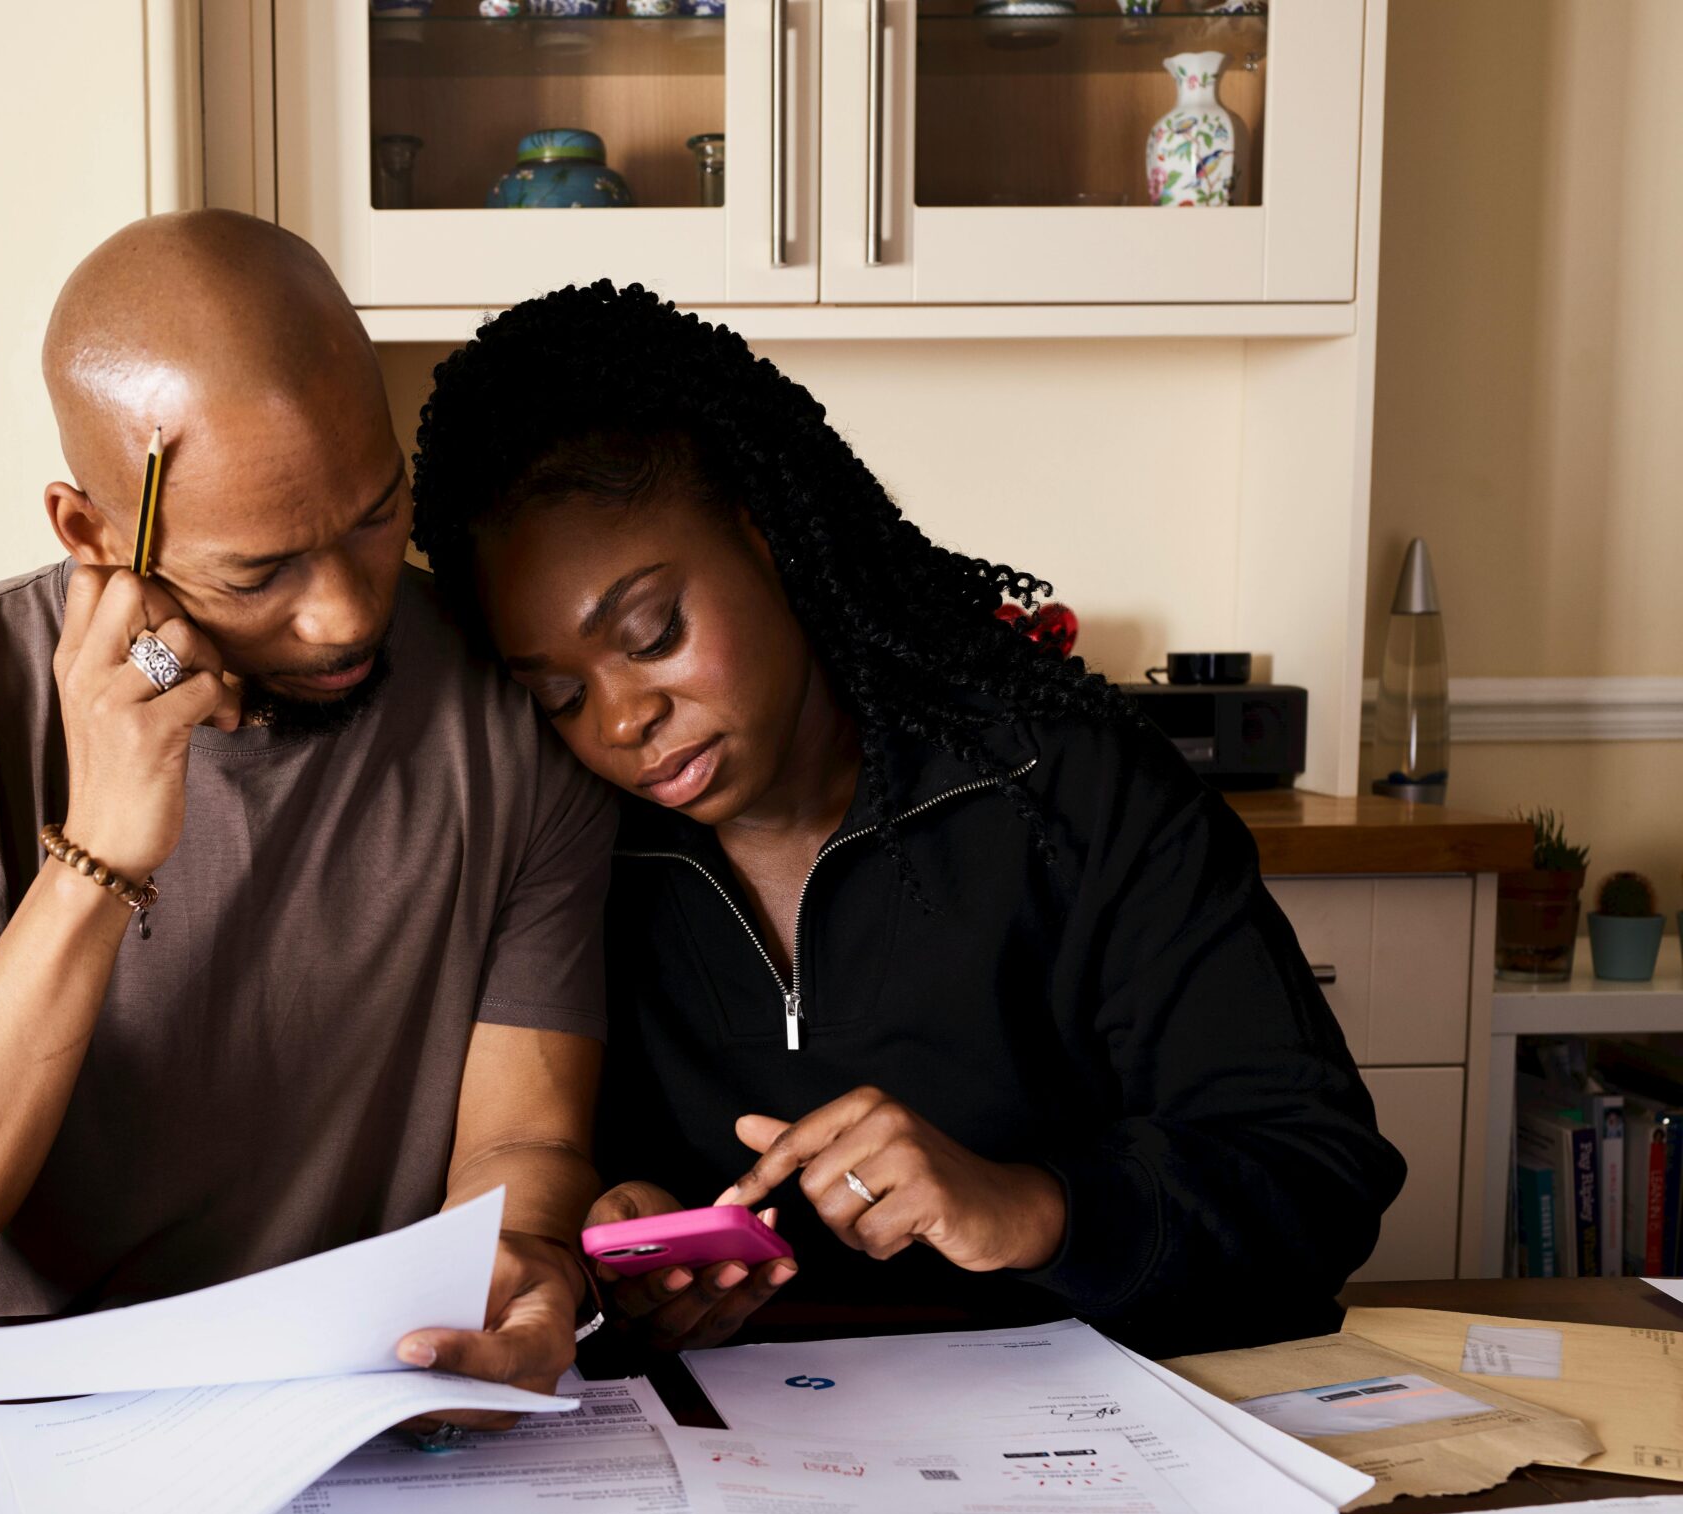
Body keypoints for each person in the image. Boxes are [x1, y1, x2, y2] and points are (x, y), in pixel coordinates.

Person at [409, 281, 1405, 1358]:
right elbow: (547, 1176)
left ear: (768, 534)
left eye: (652, 632)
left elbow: (1316, 1179)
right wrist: (622, 1239)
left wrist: (1028, 1209)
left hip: (1084, 1442)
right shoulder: (573, 852)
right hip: (727, 1464)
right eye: (556, 694)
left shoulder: (1063, 785)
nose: (620, 719)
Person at [0, 213, 611, 1417]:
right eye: (258, 571)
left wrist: (525, 1259)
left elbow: (518, 1145)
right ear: (90, 532)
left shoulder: (513, 700)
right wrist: (102, 849)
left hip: (374, 1398)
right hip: (18, 1421)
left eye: (376, 515)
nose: (341, 615)